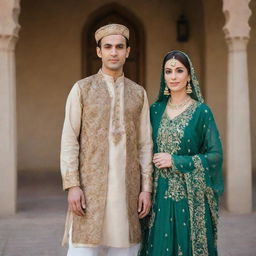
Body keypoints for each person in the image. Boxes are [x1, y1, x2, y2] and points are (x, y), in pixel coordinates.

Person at [60, 24, 153, 256]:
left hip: (127, 195)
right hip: (90, 193)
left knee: (125, 249)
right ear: (99, 51)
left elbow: (145, 145)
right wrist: (73, 185)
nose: (114, 52)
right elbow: (70, 139)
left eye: (119, 47)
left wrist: (146, 189)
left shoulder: (138, 93)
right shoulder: (82, 89)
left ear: (128, 52)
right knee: (83, 249)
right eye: (108, 47)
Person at [139, 50, 224, 256]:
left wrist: (176, 161)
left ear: (189, 75)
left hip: (192, 198)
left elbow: (215, 156)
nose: (174, 76)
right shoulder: (154, 110)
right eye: (168, 71)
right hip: (160, 196)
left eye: (179, 70)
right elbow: (143, 149)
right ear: (164, 76)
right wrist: (145, 190)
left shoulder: (201, 112)